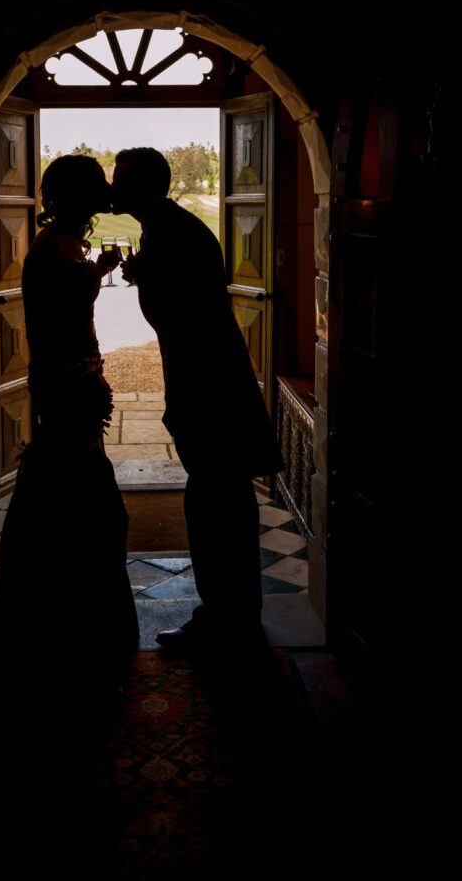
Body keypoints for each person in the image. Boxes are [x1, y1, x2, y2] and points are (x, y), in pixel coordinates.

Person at [0, 154, 139, 749]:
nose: (104, 198)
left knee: (78, 524)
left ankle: (69, 650)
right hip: (67, 401)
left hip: (74, 396)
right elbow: (64, 311)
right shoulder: (51, 249)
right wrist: (100, 272)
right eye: (96, 190)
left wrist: (98, 268)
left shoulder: (62, 244)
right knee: (86, 523)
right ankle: (70, 654)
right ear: (75, 197)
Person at [111, 147, 285, 654]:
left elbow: (178, 316)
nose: (112, 188)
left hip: (208, 389)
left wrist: (148, 280)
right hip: (213, 382)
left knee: (214, 502)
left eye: (119, 179)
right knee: (222, 499)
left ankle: (223, 619)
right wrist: (146, 275)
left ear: (144, 185)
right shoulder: (171, 228)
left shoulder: (170, 233)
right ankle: (236, 613)